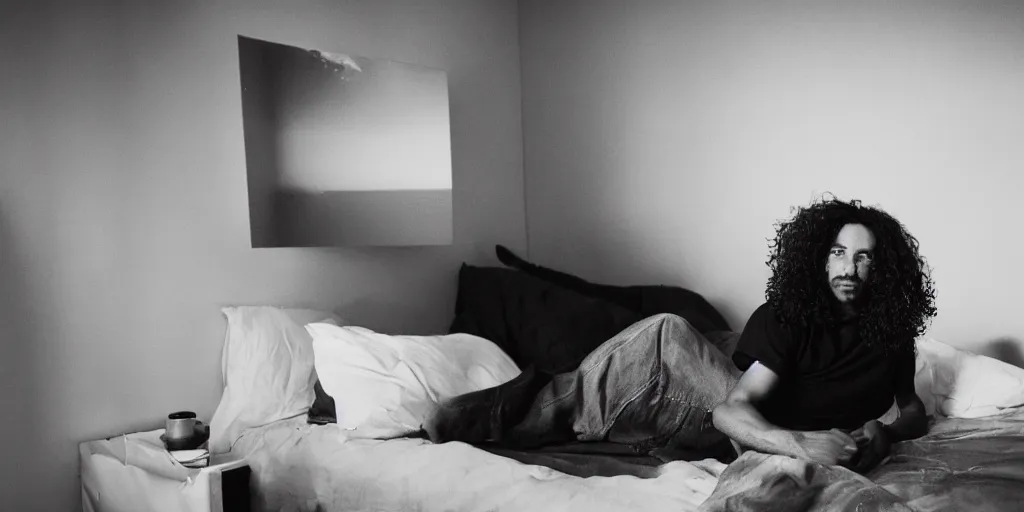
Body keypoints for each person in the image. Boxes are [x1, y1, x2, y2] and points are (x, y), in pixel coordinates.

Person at [425, 197, 936, 474]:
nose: (850, 267)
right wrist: (801, 444)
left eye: (864, 256)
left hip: (728, 346)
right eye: (838, 253)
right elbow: (731, 411)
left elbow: (912, 406)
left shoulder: (890, 334)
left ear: (882, 268)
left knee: (671, 321)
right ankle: (482, 412)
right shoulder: (790, 316)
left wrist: (885, 431)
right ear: (819, 259)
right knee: (663, 332)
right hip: (717, 366)